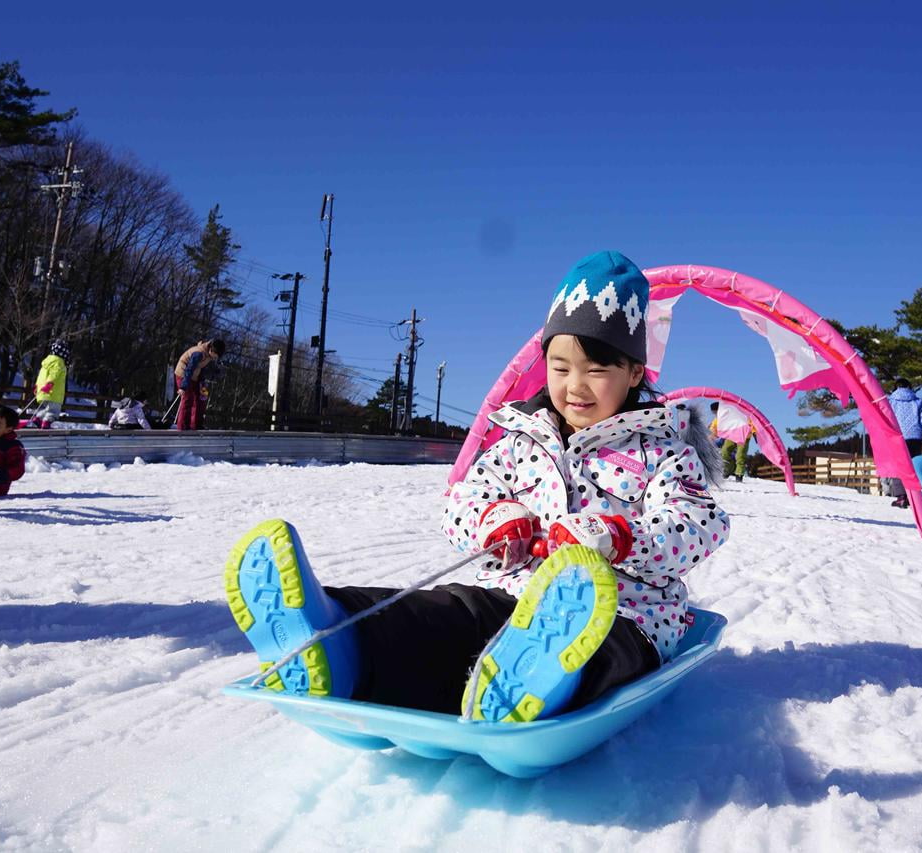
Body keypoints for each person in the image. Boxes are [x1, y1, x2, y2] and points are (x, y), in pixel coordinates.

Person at [223, 251, 729, 723]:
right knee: (444, 617)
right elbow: (464, 501)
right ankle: (336, 638)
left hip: (624, 612)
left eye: (596, 371)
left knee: (605, 653)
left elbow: (699, 524)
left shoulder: (661, 451)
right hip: (511, 598)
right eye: (560, 367)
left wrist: (618, 536)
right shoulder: (521, 441)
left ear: (634, 371)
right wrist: (493, 520)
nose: (575, 386)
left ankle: (538, 684)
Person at [887, 378, 922, 508]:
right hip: (915, 437)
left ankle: (901, 496)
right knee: (913, 467)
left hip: (897, 436)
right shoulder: (919, 402)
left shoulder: (890, 401)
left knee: (899, 466)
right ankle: (914, 496)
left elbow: (886, 417)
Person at [173, 339, 225, 430]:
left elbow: (202, 368)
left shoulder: (209, 355)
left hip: (195, 376)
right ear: (211, 350)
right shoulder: (198, 353)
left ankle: (196, 425)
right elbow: (189, 369)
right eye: (215, 356)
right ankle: (183, 426)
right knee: (188, 399)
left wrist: (203, 383)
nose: (215, 358)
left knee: (202, 397)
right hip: (183, 375)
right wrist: (183, 387)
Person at [28, 340, 69, 429]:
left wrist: (37, 386)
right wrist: (50, 383)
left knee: (47, 408)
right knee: (54, 410)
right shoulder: (59, 362)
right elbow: (54, 374)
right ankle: (46, 422)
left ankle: (38, 419)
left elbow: (41, 376)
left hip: (43, 390)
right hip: (53, 392)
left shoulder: (47, 362)